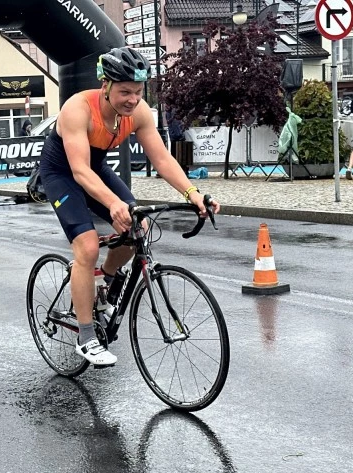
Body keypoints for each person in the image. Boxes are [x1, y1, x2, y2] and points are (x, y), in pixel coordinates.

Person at [39, 47, 219, 366]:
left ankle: (104, 282)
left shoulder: (139, 113)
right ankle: (86, 337)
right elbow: (79, 171)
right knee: (88, 246)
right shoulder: (77, 109)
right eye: (125, 92)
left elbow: (162, 159)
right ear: (105, 84)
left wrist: (192, 192)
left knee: (140, 228)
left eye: (138, 92)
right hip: (62, 172)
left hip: (95, 168)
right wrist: (112, 204)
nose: (132, 100)